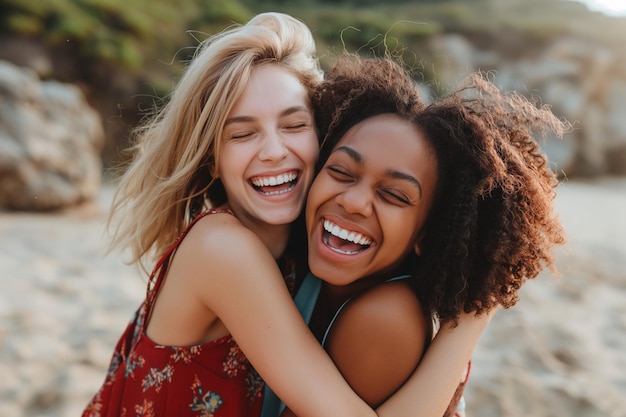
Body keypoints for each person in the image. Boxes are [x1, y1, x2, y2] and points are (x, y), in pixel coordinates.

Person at [82, 12, 493, 417]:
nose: (275, 151)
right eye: (242, 134)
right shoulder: (221, 248)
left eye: (294, 125)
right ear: (212, 160)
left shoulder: (305, 250)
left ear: (321, 136)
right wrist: (472, 320)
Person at [267, 55, 568, 417]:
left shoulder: (385, 320)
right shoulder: (302, 271)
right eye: (342, 172)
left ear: (427, 234)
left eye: (394, 195)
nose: (355, 202)